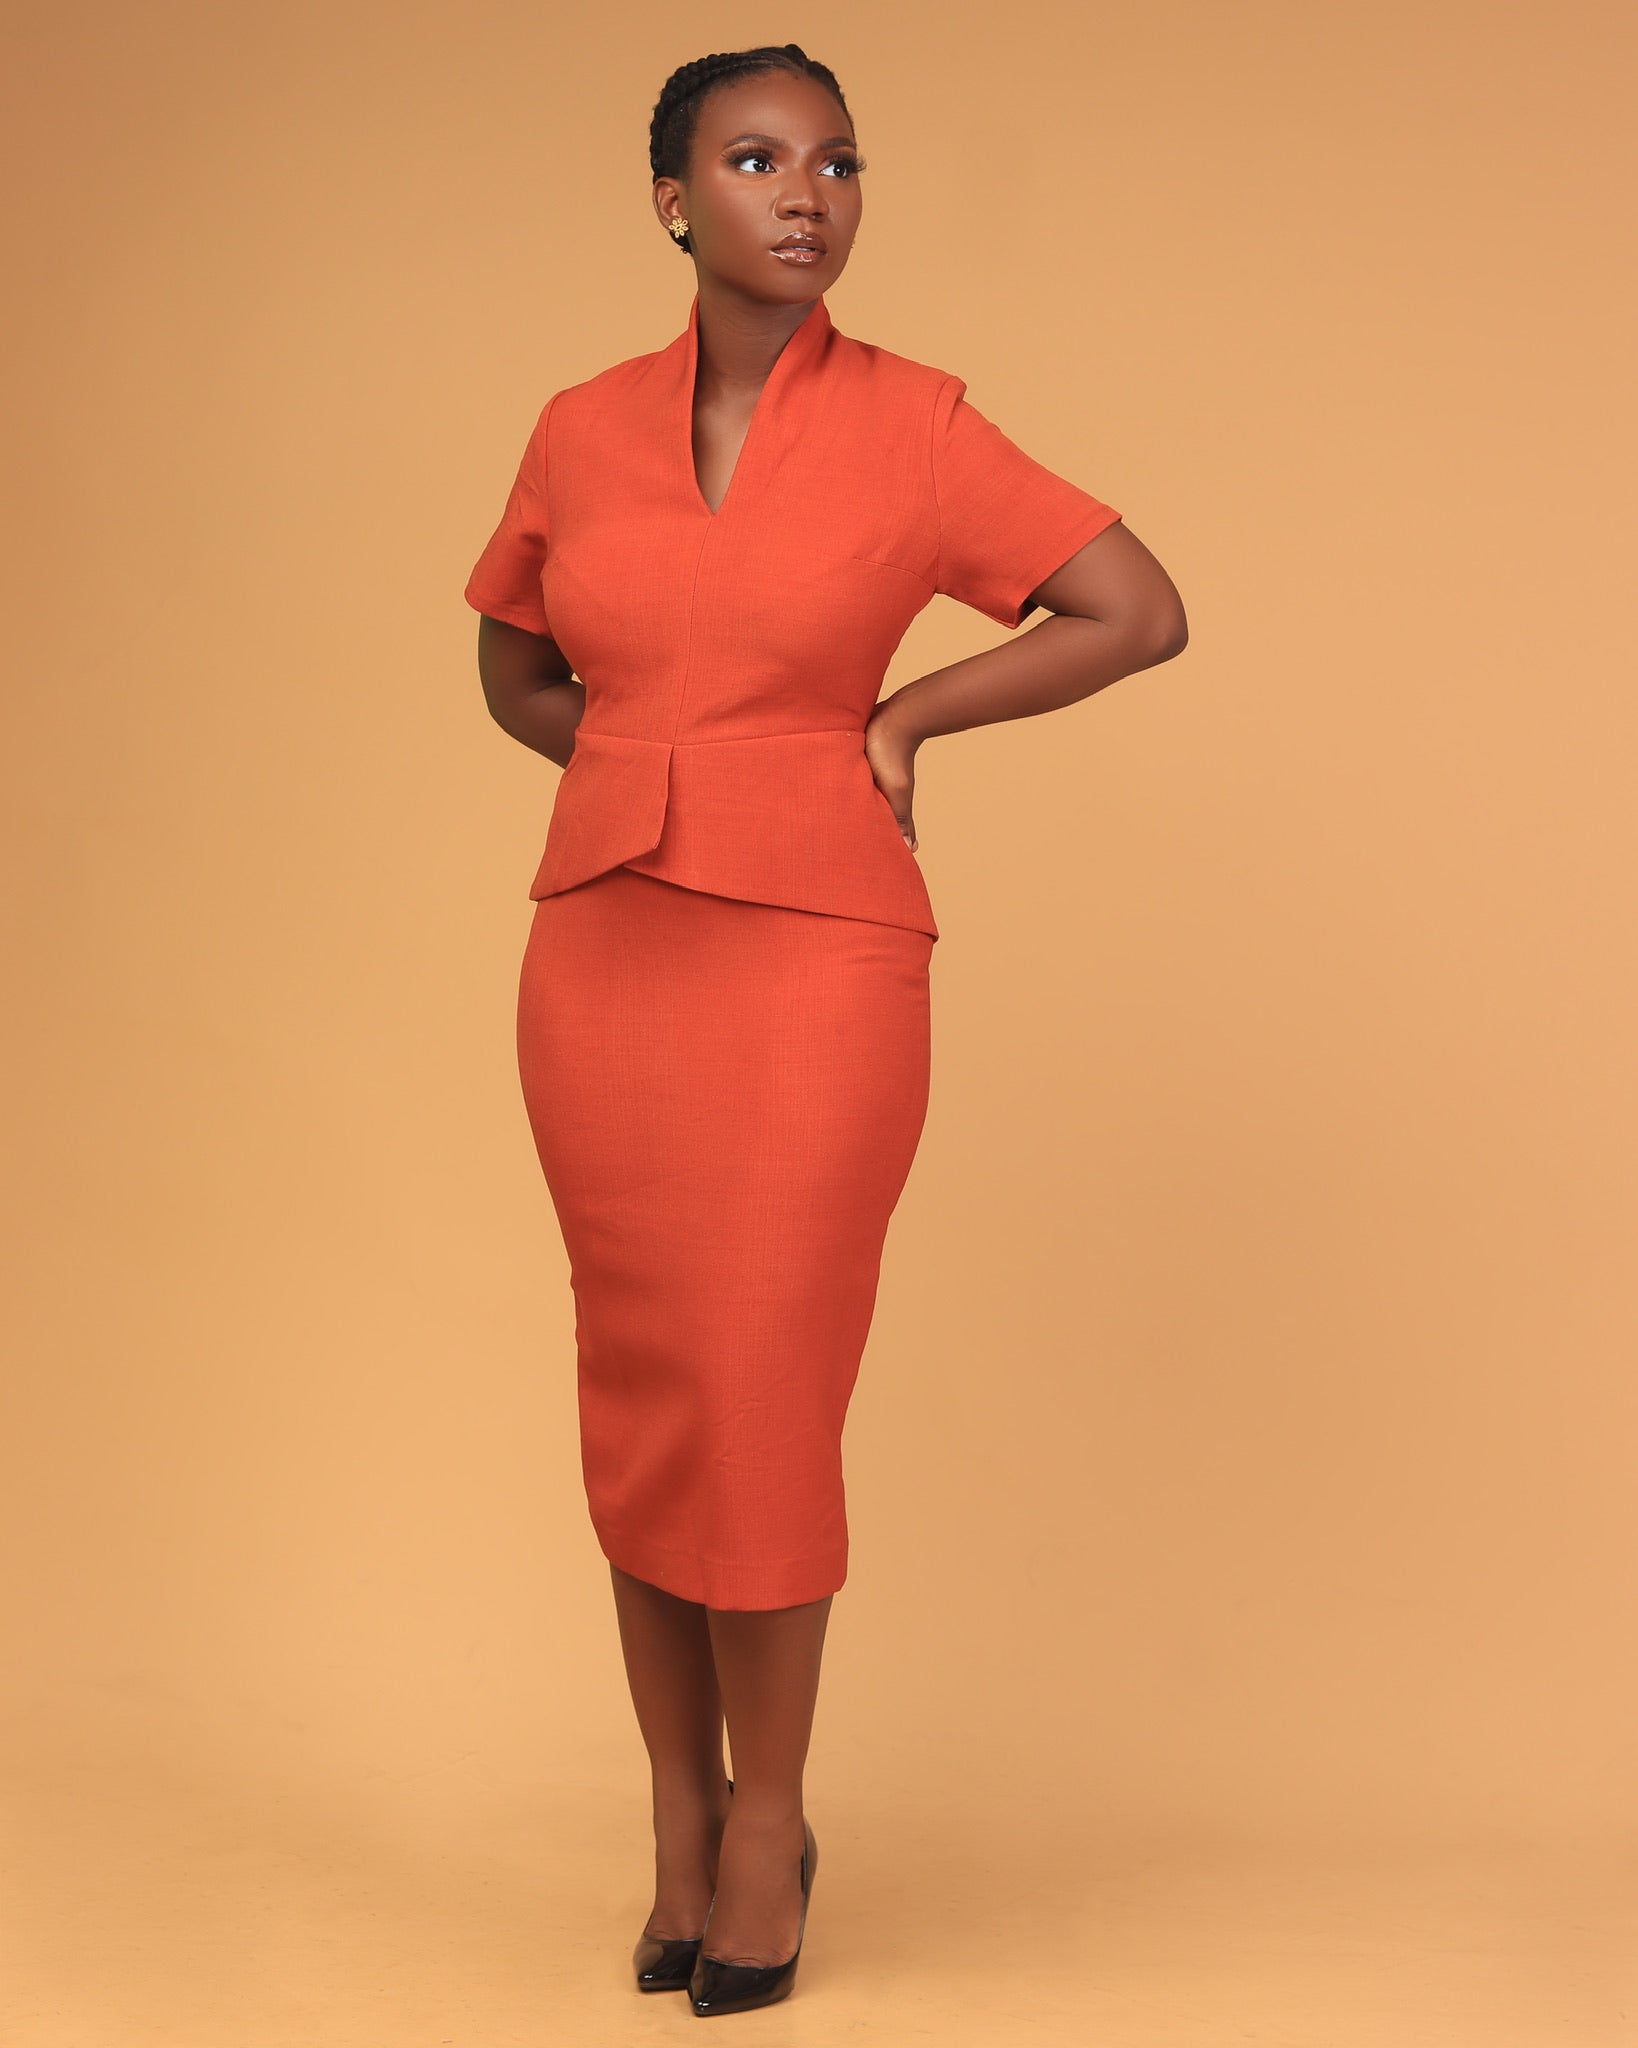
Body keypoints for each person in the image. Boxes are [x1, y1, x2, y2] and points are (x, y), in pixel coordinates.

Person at [463, 42, 1187, 2018]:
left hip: (819, 958)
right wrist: (634, 767)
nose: (810, 191)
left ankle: (767, 1822)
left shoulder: (921, 426)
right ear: (674, 200)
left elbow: (1133, 608)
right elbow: (515, 661)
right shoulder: (578, 427)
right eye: (760, 157)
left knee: (764, 1379)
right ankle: (675, 1824)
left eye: (840, 161)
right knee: (646, 1385)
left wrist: (901, 720)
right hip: (604, 948)